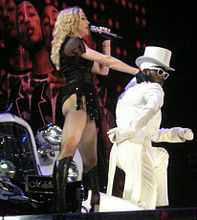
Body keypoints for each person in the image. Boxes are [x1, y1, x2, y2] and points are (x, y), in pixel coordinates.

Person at [50, 6, 143, 213]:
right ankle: (59, 206)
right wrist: (136, 71)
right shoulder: (74, 42)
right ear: (72, 22)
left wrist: (106, 40)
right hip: (76, 98)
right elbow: (107, 61)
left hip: (86, 101)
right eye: (82, 18)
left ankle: (95, 203)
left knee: (90, 158)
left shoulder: (78, 49)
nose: (87, 23)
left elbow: (103, 70)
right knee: (68, 148)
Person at [106, 46, 194, 210]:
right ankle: (144, 210)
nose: (163, 78)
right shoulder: (152, 89)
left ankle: (159, 206)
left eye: (165, 74)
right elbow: (151, 109)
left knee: (161, 156)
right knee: (143, 196)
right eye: (160, 72)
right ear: (146, 71)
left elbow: (151, 133)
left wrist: (176, 133)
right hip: (133, 148)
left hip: (130, 146)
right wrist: (127, 131)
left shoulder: (135, 90)